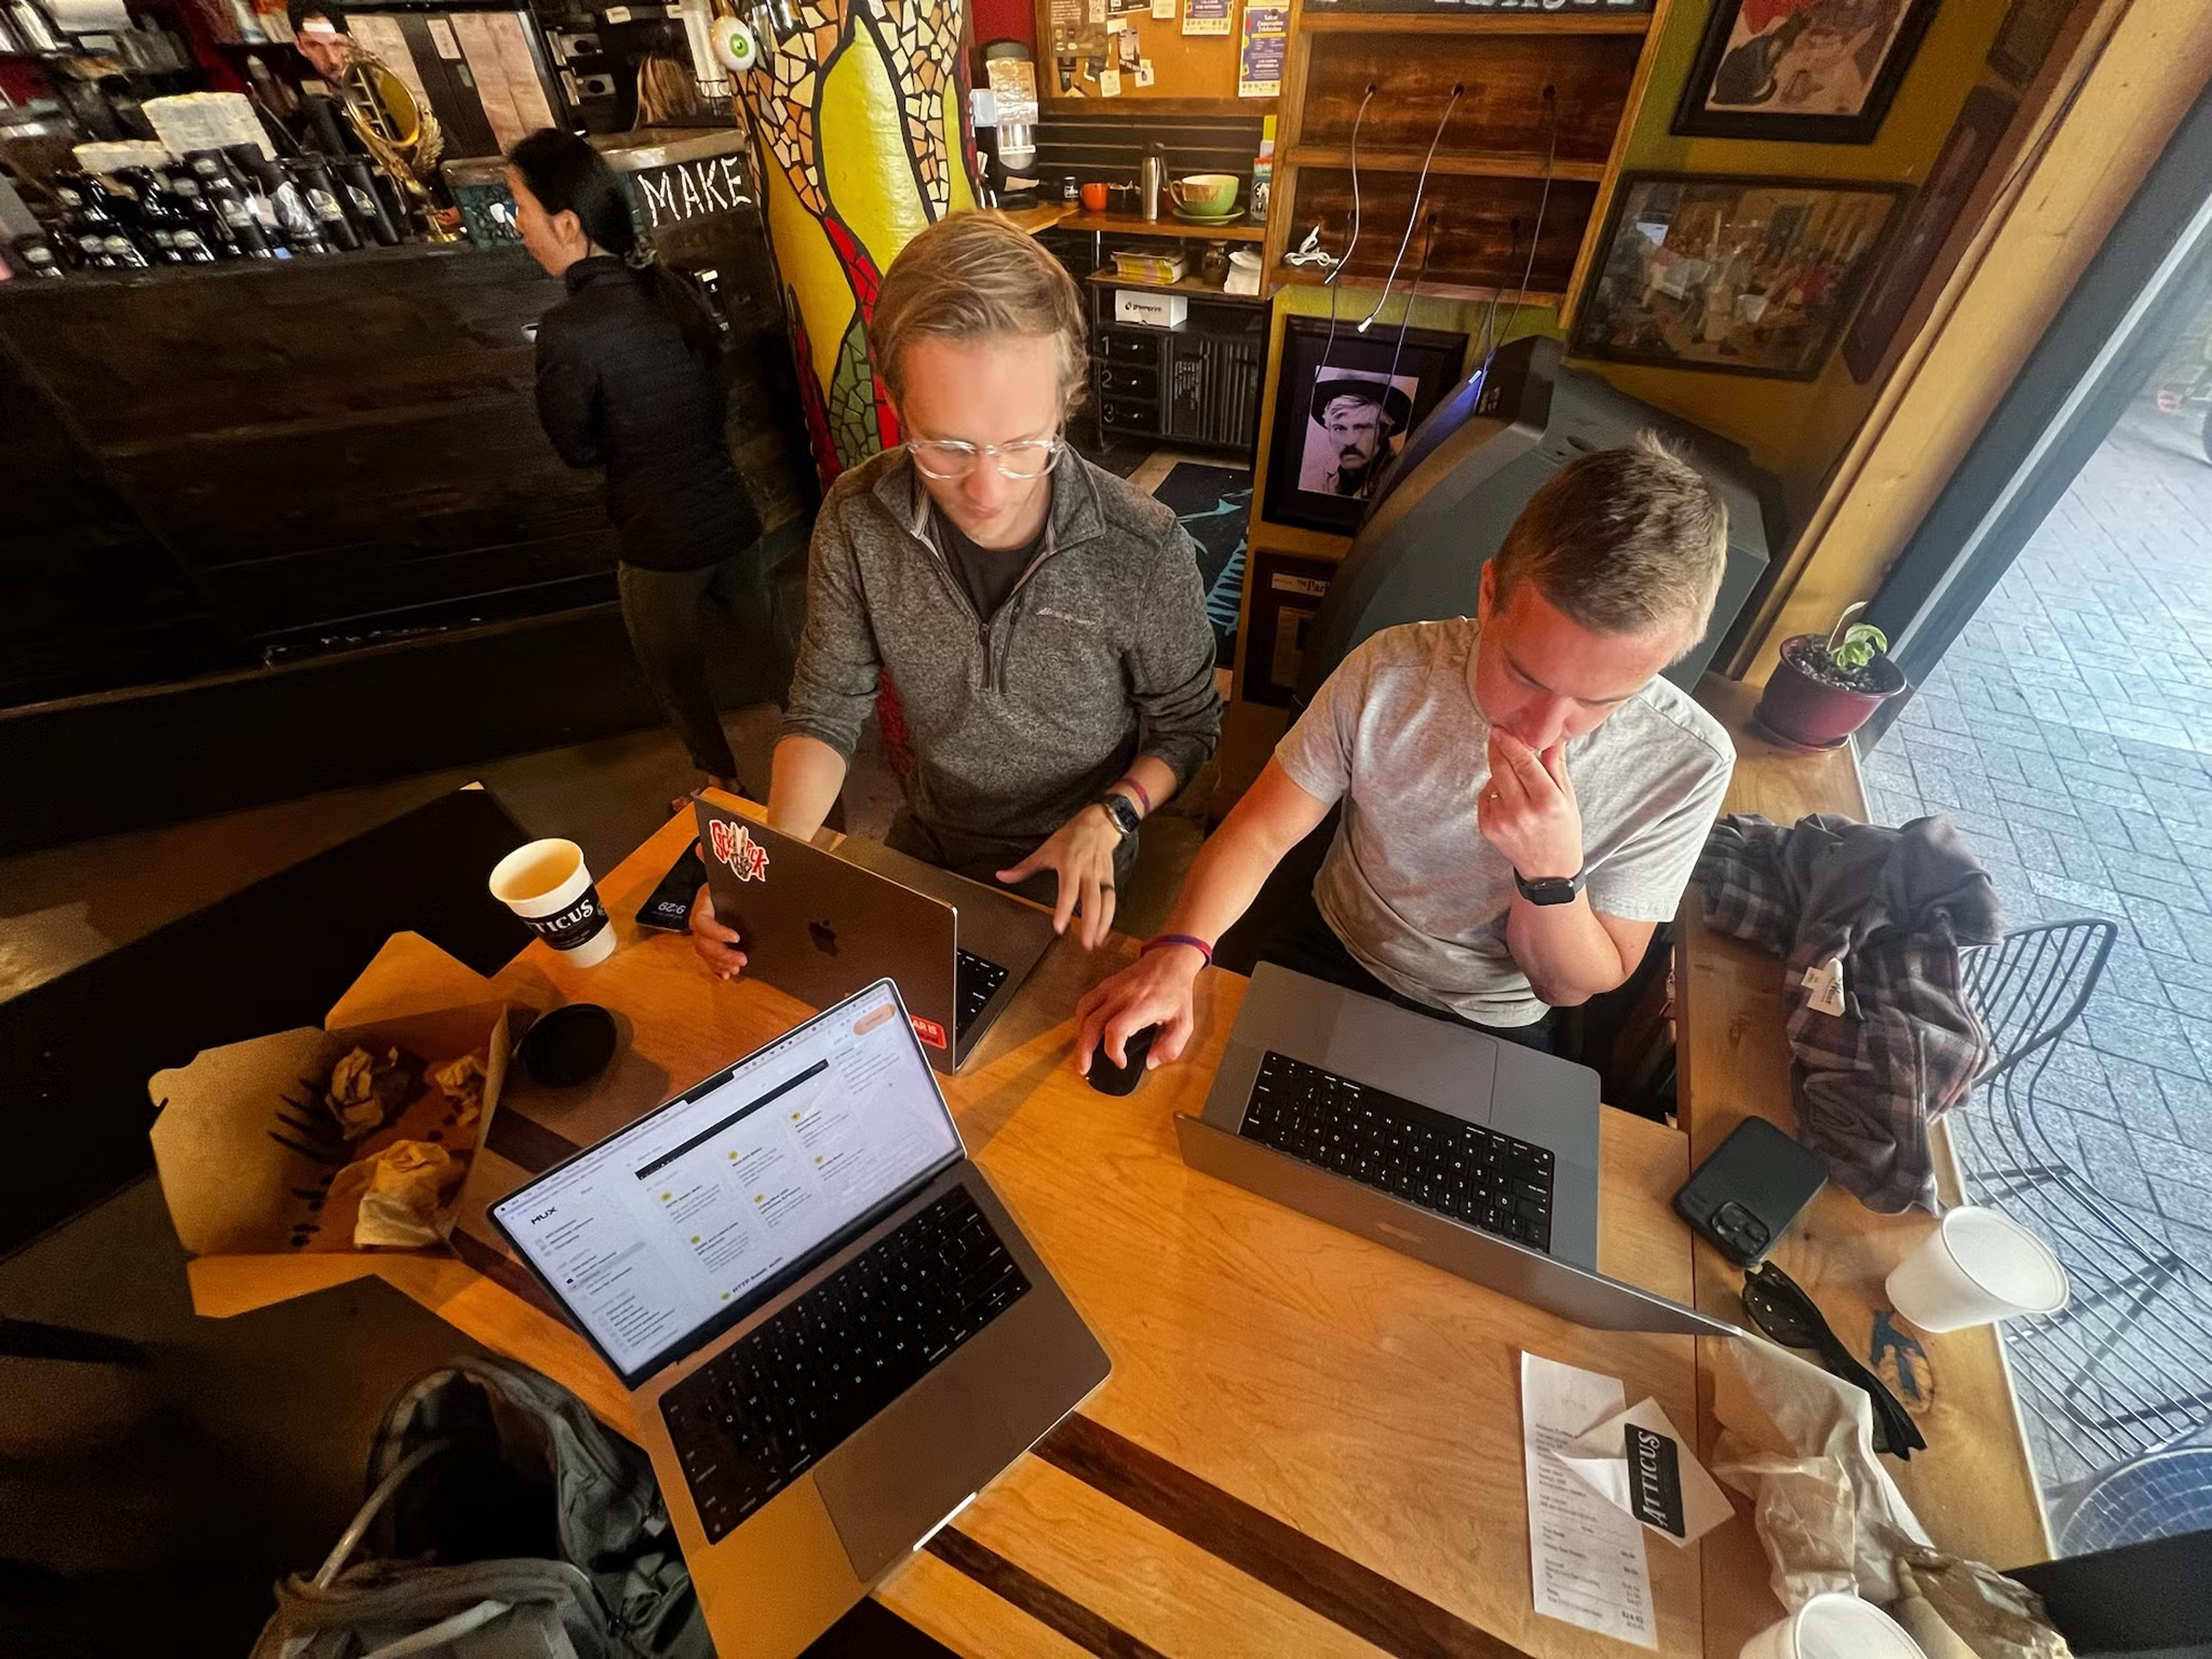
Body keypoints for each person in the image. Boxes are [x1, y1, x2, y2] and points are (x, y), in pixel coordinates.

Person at [1075, 435, 1737, 1076]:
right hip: (1331, 946)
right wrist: (1181, 949)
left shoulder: (1689, 765)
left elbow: (1567, 989)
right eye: (1526, 676)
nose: (1544, 729)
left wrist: (1549, 876)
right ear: (1488, 592)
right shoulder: (1391, 669)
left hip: (1491, 1017)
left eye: (1601, 701)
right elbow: (1263, 828)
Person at [689, 210, 1221, 975]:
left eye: (1021, 446)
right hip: (932, 837)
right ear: (896, 399)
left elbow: (1190, 725)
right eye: (944, 446)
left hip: (1083, 852)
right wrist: (769, 869)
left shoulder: (1140, 545)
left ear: (1068, 395)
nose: (985, 488)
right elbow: (826, 707)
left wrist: (1113, 814)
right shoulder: (857, 513)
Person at [508, 128, 768, 802]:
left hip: (660, 540)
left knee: (674, 677)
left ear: (567, 224)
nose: (518, 226)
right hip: (734, 521)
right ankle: (816, 792)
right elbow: (715, 403)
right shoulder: (673, 290)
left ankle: (722, 785)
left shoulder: (569, 330)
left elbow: (576, 449)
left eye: (521, 209)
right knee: (779, 665)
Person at [1298, 373, 1410, 499]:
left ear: (1384, 430)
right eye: (1339, 428)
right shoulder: (1322, 484)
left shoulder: (1401, 483)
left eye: (1361, 428)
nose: (1349, 441)